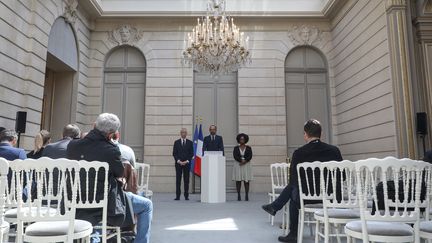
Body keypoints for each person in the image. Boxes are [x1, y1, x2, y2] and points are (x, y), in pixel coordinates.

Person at [67, 113, 152, 243]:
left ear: (94, 125)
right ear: (111, 134)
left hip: (75, 201)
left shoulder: (73, 146)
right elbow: (119, 174)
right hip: (105, 203)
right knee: (147, 205)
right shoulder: (111, 150)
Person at [261, 119, 343, 243]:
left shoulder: (299, 153)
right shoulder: (334, 150)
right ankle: (275, 206)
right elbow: (342, 176)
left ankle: (293, 233)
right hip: (331, 196)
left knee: (293, 196)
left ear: (305, 134)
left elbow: (293, 179)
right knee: (294, 190)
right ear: (321, 134)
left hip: (307, 197)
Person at [172, 128, 194, 200]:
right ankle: (177, 196)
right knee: (178, 180)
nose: (183, 134)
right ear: (180, 133)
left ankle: (186, 196)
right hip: (178, 164)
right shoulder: (176, 142)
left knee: (186, 180)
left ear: (186, 133)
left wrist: (186, 161)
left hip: (187, 164)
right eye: (182, 132)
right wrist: (179, 161)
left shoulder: (190, 143)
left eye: (185, 132)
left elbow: (191, 154)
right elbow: (174, 153)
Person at [233, 133, 253, 201]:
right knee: (238, 180)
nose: (242, 140)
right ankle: (238, 195)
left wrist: (245, 161)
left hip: (246, 164)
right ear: (239, 140)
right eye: (241, 139)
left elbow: (250, 156)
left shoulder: (249, 148)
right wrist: (241, 161)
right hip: (238, 164)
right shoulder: (236, 148)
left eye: (243, 139)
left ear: (245, 140)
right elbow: (235, 156)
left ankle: (246, 195)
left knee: (246, 181)